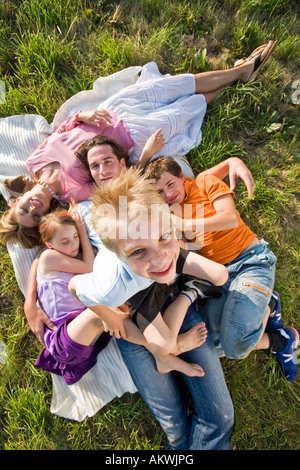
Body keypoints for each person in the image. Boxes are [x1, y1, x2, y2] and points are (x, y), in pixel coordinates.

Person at [0, 40, 275, 247]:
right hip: (131, 135)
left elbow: (61, 129)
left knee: (178, 85)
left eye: (24, 209)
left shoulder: (34, 161)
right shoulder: (72, 196)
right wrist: (145, 155)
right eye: (35, 217)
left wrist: (82, 115)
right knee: (189, 107)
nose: (33, 208)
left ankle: (236, 72)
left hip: (115, 110)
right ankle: (240, 74)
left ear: (17, 200)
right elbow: (117, 182)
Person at [68, 168, 234, 450]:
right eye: (137, 250)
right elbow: (75, 286)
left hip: (163, 268)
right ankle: (170, 345)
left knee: (219, 276)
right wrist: (107, 314)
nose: (159, 259)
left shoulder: (158, 230)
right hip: (138, 290)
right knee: (164, 343)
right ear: (120, 255)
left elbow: (165, 244)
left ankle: (189, 293)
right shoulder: (111, 287)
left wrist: (174, 242)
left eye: (162, 236)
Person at [144, 156, 299, 382]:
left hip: (250, 262)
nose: (168, 194)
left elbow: (229, 219)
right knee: (211, 348)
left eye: (170, 184)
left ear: (181, 177)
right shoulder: (170, 212)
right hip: (218, 277)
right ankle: (270, 304)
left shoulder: (204, 182)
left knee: (236, 346)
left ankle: (281, 336)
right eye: (159, 192)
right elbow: (191, 246)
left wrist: (187, 225)